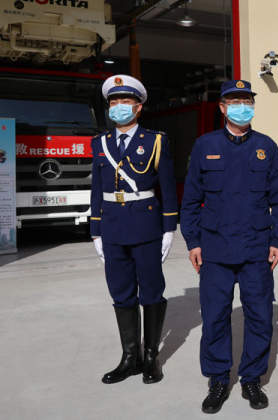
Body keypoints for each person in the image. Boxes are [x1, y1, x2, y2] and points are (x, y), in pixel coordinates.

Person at [180, 80, 278, 414]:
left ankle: (252, 379)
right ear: (222, 107)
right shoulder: (205, 145)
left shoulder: (266, 147)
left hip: (256, 248)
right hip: (215, 249)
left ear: (253, 106)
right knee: (215, 316)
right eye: (235, 101)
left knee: (259, 316)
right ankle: (218, 380)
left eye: (247, 101)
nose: (242, 107)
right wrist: (193, 241)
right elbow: (191, 200)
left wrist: (277, 240)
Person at [90, 74, 178, 385]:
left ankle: (151, 357)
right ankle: (130, 357)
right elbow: (96, 189)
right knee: (120, 292)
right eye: (114, 101)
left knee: (151, 290)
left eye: (125, 101)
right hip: (112, 227)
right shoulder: (99, 143)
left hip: (146, 226)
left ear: (138, 107)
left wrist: (169, 229)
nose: (119, 106)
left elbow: (168, 186)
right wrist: (96, 231)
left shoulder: (155, 141)